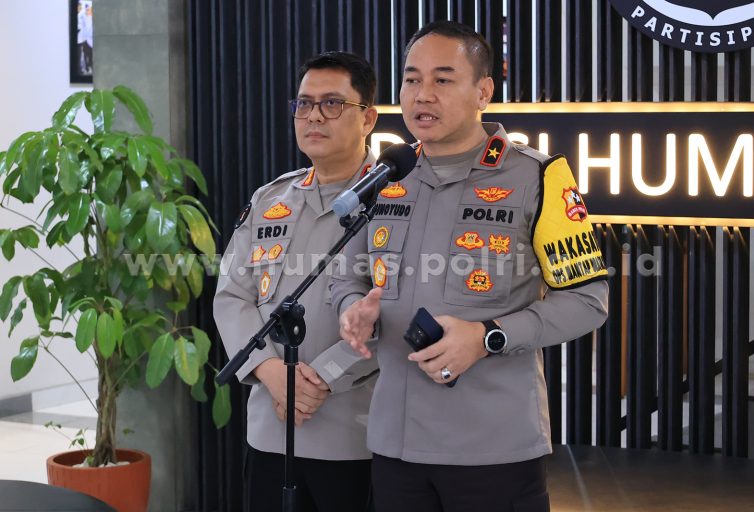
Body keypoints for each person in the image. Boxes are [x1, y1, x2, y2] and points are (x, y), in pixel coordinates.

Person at [329, 21, 609, 512]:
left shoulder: (538, 176)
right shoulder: (386, 177)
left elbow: (588, 301)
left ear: (483, 91)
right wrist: (354, 308)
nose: (423, 94)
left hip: (493, 449)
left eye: (443, 79)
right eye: (412, 79)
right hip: (394, 444)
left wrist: (488, 336)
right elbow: (347, 276)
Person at [214, 51, 380, 512]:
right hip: (271, 429)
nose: (314, 117)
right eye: (304, 104)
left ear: (368, 118)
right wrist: (271, 372)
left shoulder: (396, 200)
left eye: (332, 104)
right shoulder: (271, 199)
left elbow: (396, 310)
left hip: (356, 434)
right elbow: (232, 295)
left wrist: (318, 379)